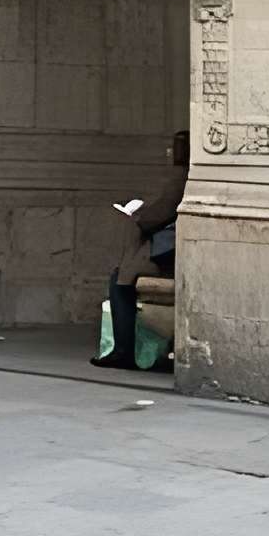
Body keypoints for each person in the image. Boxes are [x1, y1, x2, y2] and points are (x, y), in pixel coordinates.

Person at [92, 128, 190, 371]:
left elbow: (161, 212)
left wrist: (137, 214)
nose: (170, 151)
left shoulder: (182, 176)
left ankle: (123, 350)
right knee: (122, 276)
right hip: (175, 252)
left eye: (175, 147)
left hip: (168, 256)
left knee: (120, 281)